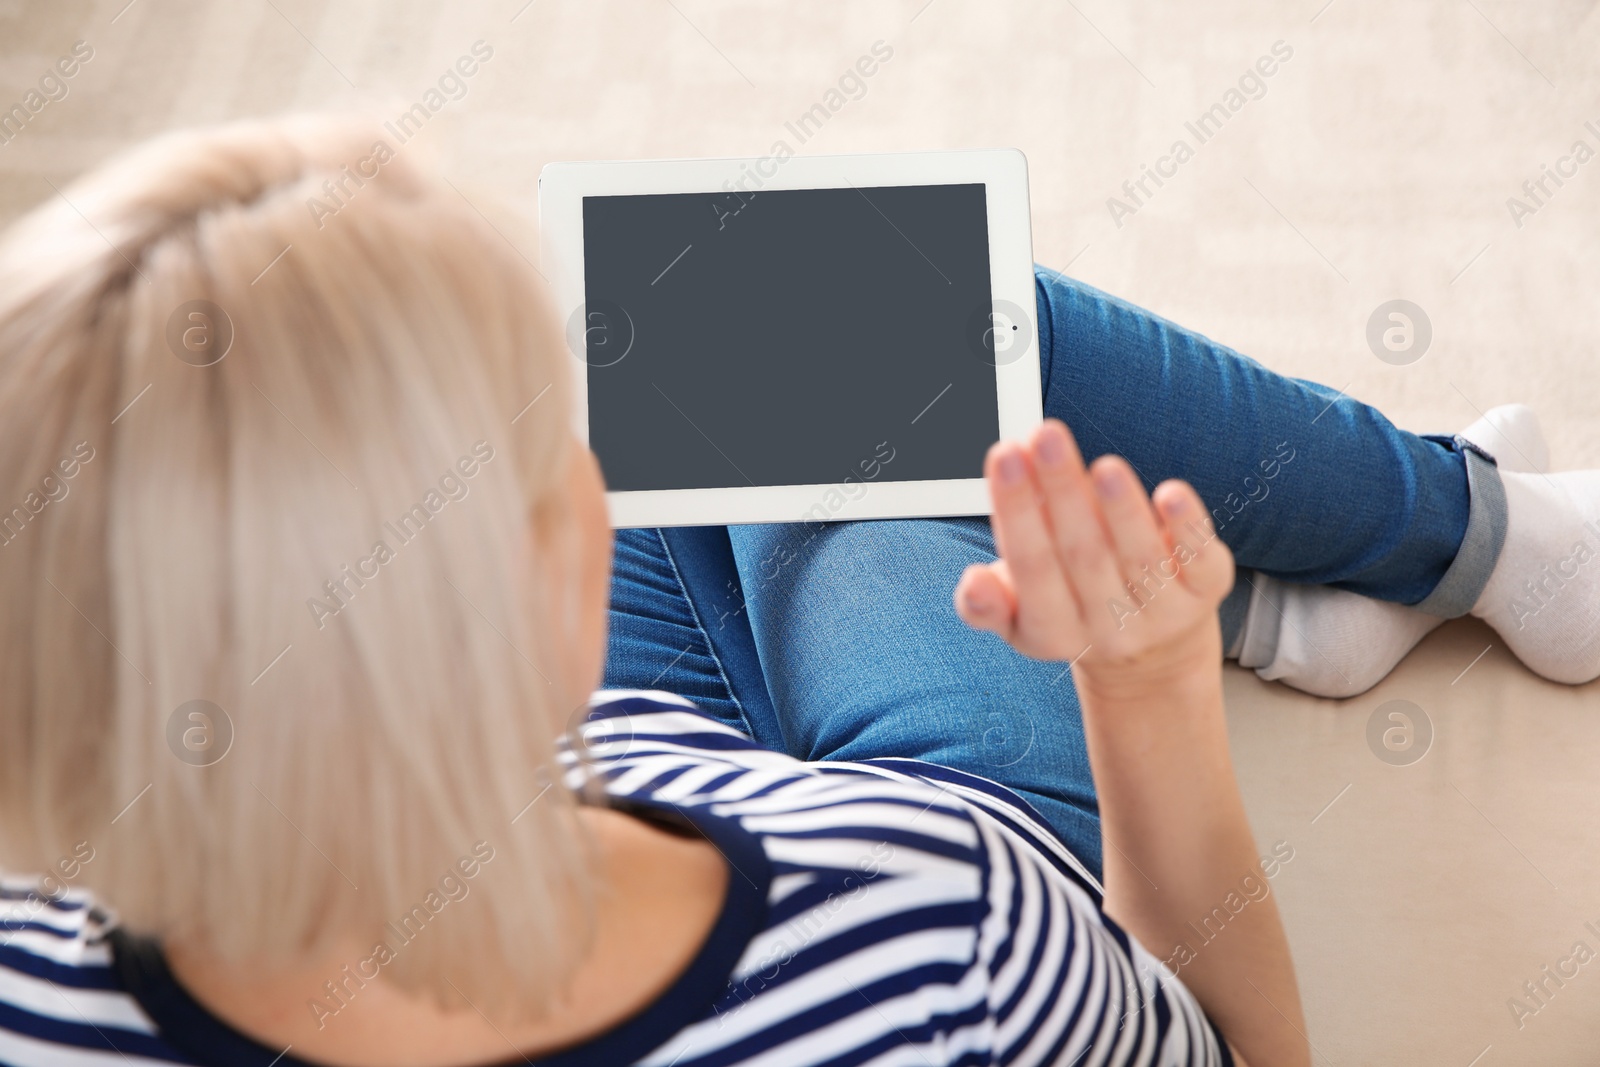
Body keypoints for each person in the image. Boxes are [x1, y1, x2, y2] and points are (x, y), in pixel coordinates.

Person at [0, 117, 1594, 1067]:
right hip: (830, 857)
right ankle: (1478, 537)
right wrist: (1147, 687)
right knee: (810, 303)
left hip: (580, 798)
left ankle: (1287, 597)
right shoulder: (940, 930)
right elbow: (1233, 1052)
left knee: (752, 337)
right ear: (553, 559)